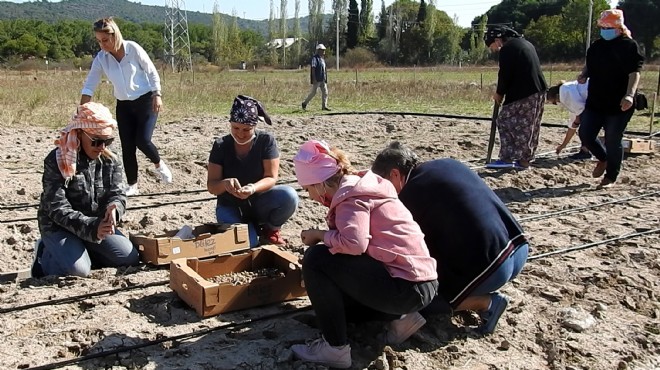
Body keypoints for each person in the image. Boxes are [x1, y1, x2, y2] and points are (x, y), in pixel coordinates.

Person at [290, 140, 438, 369]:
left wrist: (319, 235)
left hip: (405, 288)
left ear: (319, 184)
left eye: (308, 189)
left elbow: (354, 244)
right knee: (339, 288)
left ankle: (334, 348)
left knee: (316, 259)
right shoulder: (366, 186)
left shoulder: (351, 198)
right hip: (422, 282)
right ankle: (400, 320)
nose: (310, 196)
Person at [371, 141, 529, 335]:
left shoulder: (410, 195)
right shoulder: (448, 164)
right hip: (518, 247)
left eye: (383, 184)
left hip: (491, 268)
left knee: (422, 298)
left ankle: (487, 302)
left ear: (395, 174)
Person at [33, 102, 140, 278]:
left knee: (129, 258)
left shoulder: (111, 160)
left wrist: (115, 208)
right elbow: (56, 208)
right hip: (60, 227)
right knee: (78, 271)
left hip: (96, 226)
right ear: (80, 134)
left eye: (108, 141)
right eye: (97, 141)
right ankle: (44, 255)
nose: (102, 147)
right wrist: (91, 226)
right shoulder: (57, 160)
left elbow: (117, 193)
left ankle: (80, 251)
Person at [80, 17, 171, 197]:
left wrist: (157, 94)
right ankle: (132, 185)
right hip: (124, 105)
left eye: (105, 40)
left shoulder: (133, 49)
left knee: (142, 140)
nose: (102, 45)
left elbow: (151, 71)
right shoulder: (101, 58)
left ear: (115, 35)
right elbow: (90, 84)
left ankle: (159, 164)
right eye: (99, 41)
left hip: (146, 100)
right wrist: (82, 110)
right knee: (127, 146)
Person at [207, 95, 298, 247]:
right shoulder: (220, 145)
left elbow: (271, 177)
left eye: (246, 129)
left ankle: (271, 230)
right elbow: (211, 186)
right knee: (248, 243)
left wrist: (252, 188)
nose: (241, 134)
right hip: (230, 205)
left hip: (259, 201)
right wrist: (225, 184)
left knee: (289, 196)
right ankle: (251, 231)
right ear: (230, 124)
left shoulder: (266, 141)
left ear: (255, 126)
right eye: (235, 128)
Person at [577, 9, 644, 189]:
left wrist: (629, 95)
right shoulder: (597, 46)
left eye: (608, 27)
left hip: (619, 102)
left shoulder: (629, 46)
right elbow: (590, 65)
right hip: (596, 100)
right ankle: (603, 158)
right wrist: (584, 74)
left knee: (613, 138)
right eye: (602, 27)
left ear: (618, 27)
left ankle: (611, 176)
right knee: (585, 133)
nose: (604, 30)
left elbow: (634, 73)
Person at [484, 25, 547, 170]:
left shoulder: (508, 49)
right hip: (539, 90)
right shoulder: (525, 43)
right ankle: (525, 159)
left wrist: (499, 92)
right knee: (531, 125)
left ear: (498, 40)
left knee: (505, 121)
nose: (493, 50)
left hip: (524, 92)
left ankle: (507, 157)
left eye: (492, 45)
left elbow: (505, 73)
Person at [546, 80, 592, 160]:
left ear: (557, 96)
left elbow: (580, 112)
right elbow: (572, 126)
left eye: (554, 102)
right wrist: (563, 145)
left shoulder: (565, 94)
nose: (557, 104)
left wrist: (577, 121)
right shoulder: (567, 93)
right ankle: (586, 150)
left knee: (585, 129)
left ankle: (586, 151)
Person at [301, 44, 330, 111]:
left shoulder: (322, 59)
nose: (324, 51)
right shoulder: (315, 58)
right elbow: (313, 68)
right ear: (319, 50)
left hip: (322, 78)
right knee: (313, 93)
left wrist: (325, 78)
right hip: (317, 79)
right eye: (322, 50)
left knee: (325, 92)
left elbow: (324, 69)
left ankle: (324, 106)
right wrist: (314, 79)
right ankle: (304, 103)